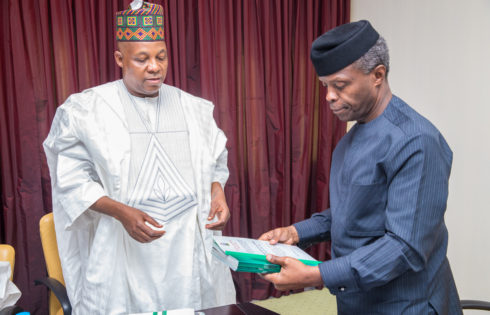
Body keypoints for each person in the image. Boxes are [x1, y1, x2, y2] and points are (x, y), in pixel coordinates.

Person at [43, 2, 235, 314]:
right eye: (142, 59)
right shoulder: (87, 110)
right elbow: (72, 180)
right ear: (120, 59)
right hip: (124, 248)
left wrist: (217, 192)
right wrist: (121, 212)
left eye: (161, 56)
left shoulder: (193, 108)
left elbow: (214, 160)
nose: (155, 67)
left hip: (188, 249)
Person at [259, 20, 462, 314]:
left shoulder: (416, 141)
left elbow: (404, 248)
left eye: (340, 85)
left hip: (408, 306)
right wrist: (296, 233)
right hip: (358, 301)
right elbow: (354, 211)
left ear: (377, 75)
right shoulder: (351, 138)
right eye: (326, 85)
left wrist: (318, 274)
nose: (328, 95)